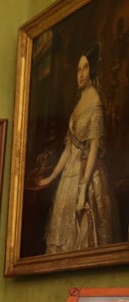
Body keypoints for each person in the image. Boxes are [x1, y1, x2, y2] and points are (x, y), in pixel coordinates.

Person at [35, 43, 121, 254]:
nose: (80, 74)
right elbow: (69, 149)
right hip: (68, 178)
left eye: (84, 68)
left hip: (88, 177)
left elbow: (93, 149)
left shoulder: (96, 103)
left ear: (92, 70)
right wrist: (52, 176)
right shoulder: (77, 104)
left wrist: (83, 190)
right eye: (78, 69)